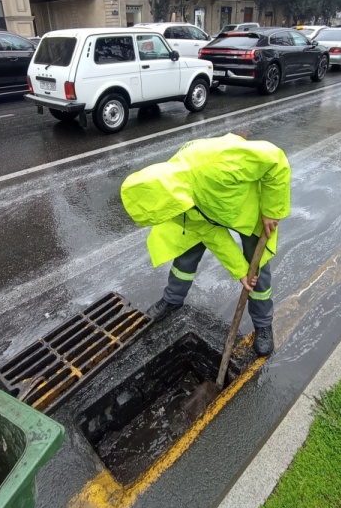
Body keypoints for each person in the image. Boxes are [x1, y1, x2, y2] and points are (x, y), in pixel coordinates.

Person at [120, 133, 291, 357]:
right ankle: (172, 300)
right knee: (186, 250)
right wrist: (239, 271)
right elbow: (212, 233)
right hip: (209, 209)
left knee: (256, 267)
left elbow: (275, 160)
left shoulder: (217, 162)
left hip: (251, 207)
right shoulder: (171, 196)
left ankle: (263, 324)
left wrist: (271, 209)